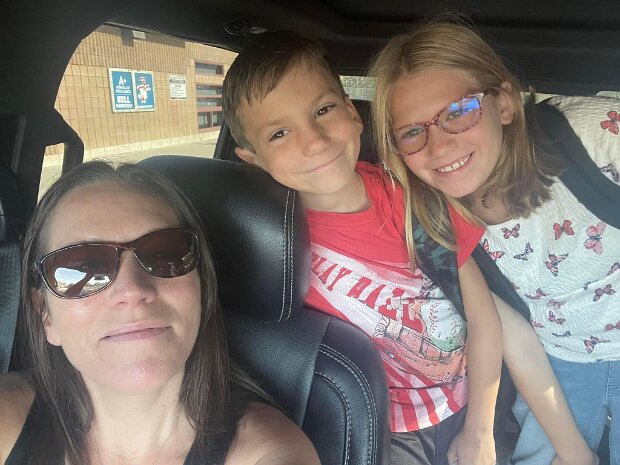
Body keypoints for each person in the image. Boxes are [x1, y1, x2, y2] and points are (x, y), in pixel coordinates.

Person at [223, 30, 506, 465]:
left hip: (471, 400)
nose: (314, 141)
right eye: (279, 133)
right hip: (384, 428)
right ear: (253, 158)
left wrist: (480, 430)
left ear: (353, 113)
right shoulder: (268, 244)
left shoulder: (411, 197)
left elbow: (483, 316)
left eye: (323, 110)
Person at [370, 18, 615, 465]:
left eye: (458, 111)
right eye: (412, 131)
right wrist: (576, 454)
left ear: (503, 102)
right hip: (556, 359)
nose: (439, 147)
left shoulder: (596, 136)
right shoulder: (434, 224)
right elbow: (513, 335)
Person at [0, 161, 320, 465]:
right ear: (45, 315)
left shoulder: (266, 452)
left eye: (165, 255)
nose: (132, 290)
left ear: (202, 289)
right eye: (83, 267)